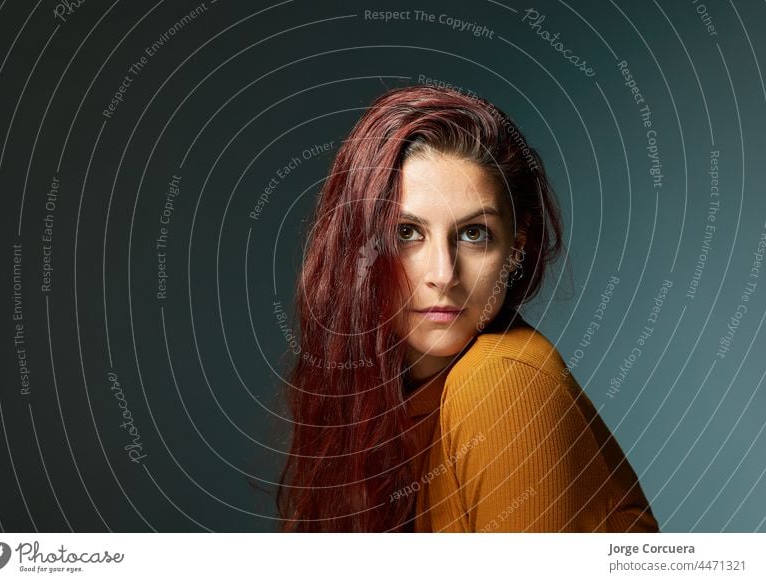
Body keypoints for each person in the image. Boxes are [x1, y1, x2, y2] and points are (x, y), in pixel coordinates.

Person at [276, 84, 659, 533]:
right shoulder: (370, 409)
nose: (443, 273)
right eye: (407, 233)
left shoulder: (502, 381)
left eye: (474, 234)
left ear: (515, 248)